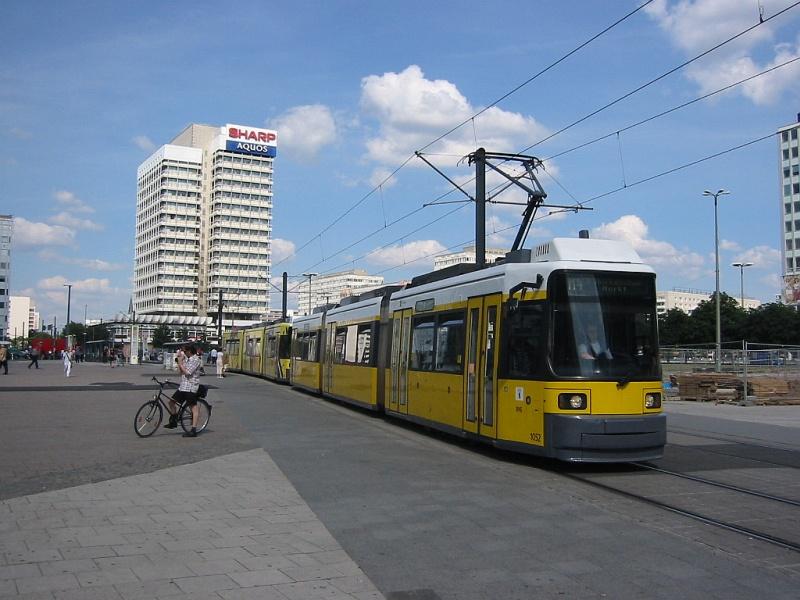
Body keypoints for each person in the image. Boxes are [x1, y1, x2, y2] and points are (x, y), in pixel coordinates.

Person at [164, 343, 202, 437]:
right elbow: (180, 372)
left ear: (190, 351)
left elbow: (188, 373)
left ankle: (193, 430)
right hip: (183, 386)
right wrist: (179, 362)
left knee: (193, 407)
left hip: (191, 387)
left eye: (185, 351)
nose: (183, 353)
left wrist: (181, 363)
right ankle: (173, 421)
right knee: (171, 402)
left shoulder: (196, 359)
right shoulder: (186, 359)